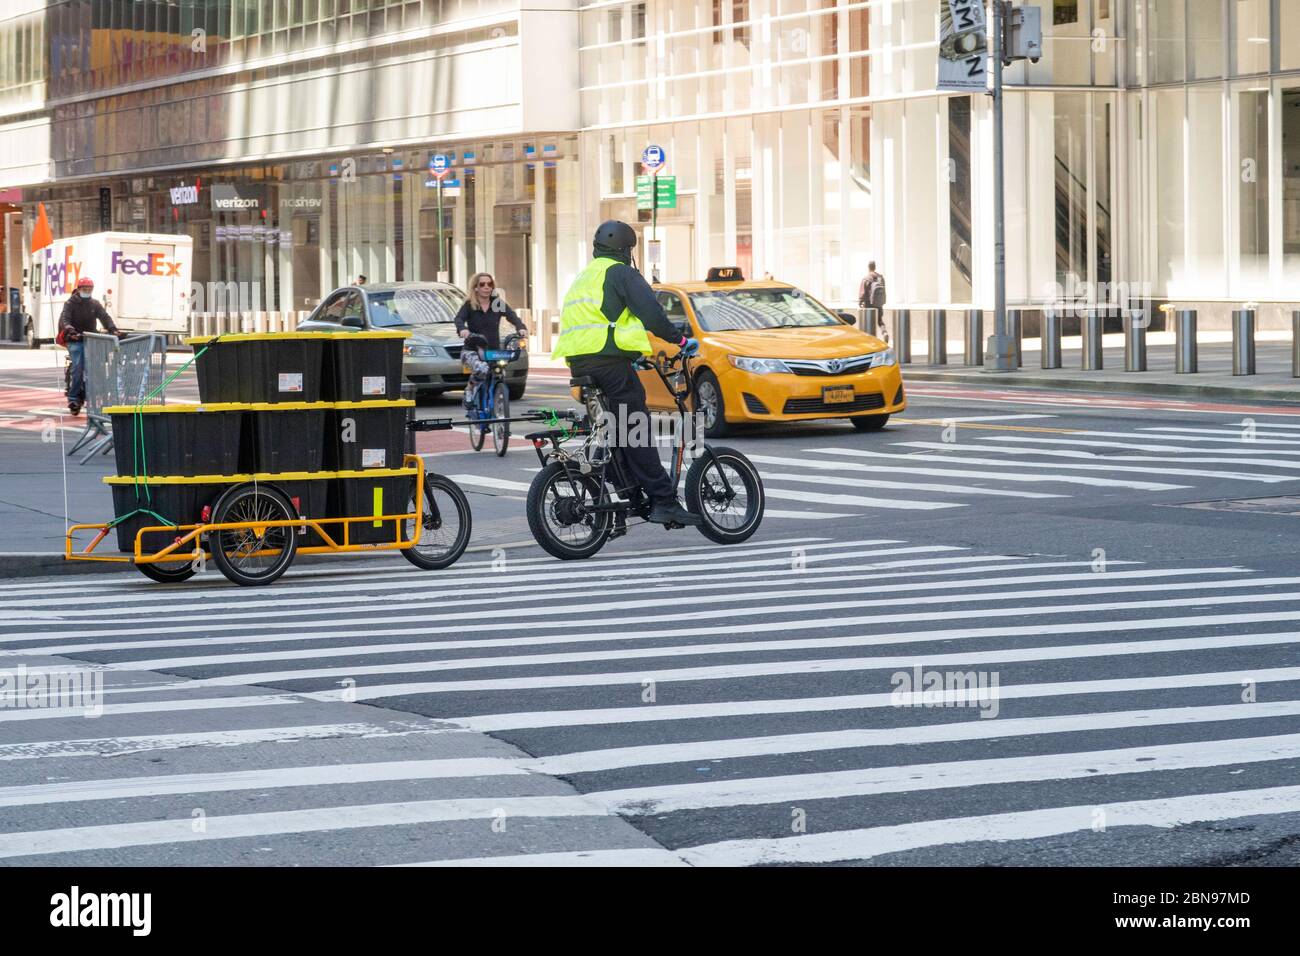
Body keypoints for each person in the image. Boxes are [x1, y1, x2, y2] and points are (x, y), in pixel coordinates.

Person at [553, 220, 702, 528]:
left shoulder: (585, 277)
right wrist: (681, 341)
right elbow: (651, 314)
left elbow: (601, 323)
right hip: (608, 365)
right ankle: (664, 500)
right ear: (626, 249)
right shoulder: (620, 272)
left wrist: (633, 355)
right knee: (637, 429)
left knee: (618, 430)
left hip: (582, 363)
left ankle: (629, 494)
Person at [59, 276, 122, 416]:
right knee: (78, 367)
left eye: (89, 289)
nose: (87, 291)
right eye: (84, 289)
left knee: (95, 368)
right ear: (79, 289)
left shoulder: (95, 304)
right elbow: (65, 319)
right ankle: (73, 398)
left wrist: (113, 329)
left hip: (91, 340)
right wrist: (70, 330)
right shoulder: (70, 303)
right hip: (75, 340)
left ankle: (93, 397)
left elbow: (105, 317)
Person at [454, 272, 528, 349]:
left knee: (510, 358)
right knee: (477, 361)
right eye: (482, 284)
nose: (486, 287)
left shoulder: (497, 303)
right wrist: (463, 329)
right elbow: (459, 319)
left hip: (493, 350)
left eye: (490, 284)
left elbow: (512, 316)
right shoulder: (469, 305)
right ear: (476, 288)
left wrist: (521, 327)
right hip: (474, 349)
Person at [858, 261, 889, 340]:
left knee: (869, 321)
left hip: (869, 304)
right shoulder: (880, 278)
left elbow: (863, 292)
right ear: (875, 267)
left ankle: (870, 339)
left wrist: (860, 301)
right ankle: (884, 332)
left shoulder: (866, 278)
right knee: (879, 320)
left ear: (868, 267)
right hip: (879, 303)